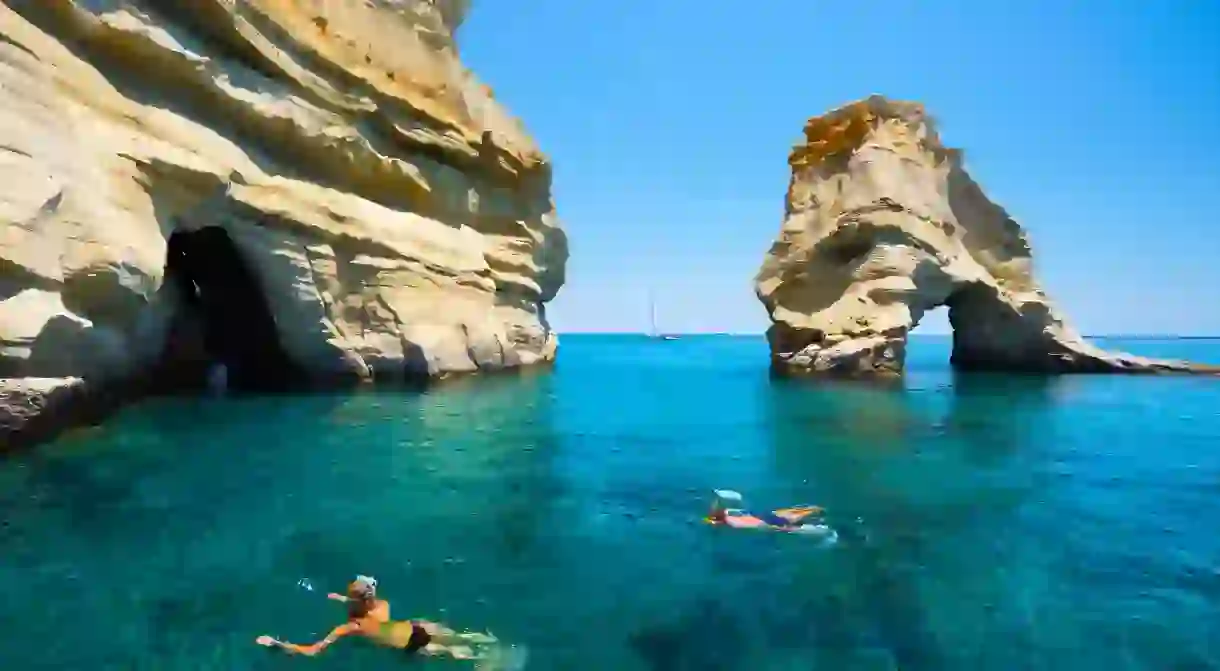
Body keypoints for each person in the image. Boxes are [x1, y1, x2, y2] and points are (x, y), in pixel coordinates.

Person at [255, 575, 498, 660]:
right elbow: (361, 601)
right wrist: (341, 597)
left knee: (457, 654)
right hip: (416, 627)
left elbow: (312, 650)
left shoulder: (350, 627)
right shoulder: (382, 605)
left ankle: (493, 659)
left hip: (408, 644)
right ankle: (488, 641)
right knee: (458, 637)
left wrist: (277, 644)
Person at [704, 489, 826, 532]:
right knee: (791, 516)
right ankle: (815, 511)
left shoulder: (733, 523)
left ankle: (817, 519)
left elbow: (710, 519)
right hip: (763, 515)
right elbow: (712, 516)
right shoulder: (730, 512)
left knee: (791, 522)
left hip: (766, 521)